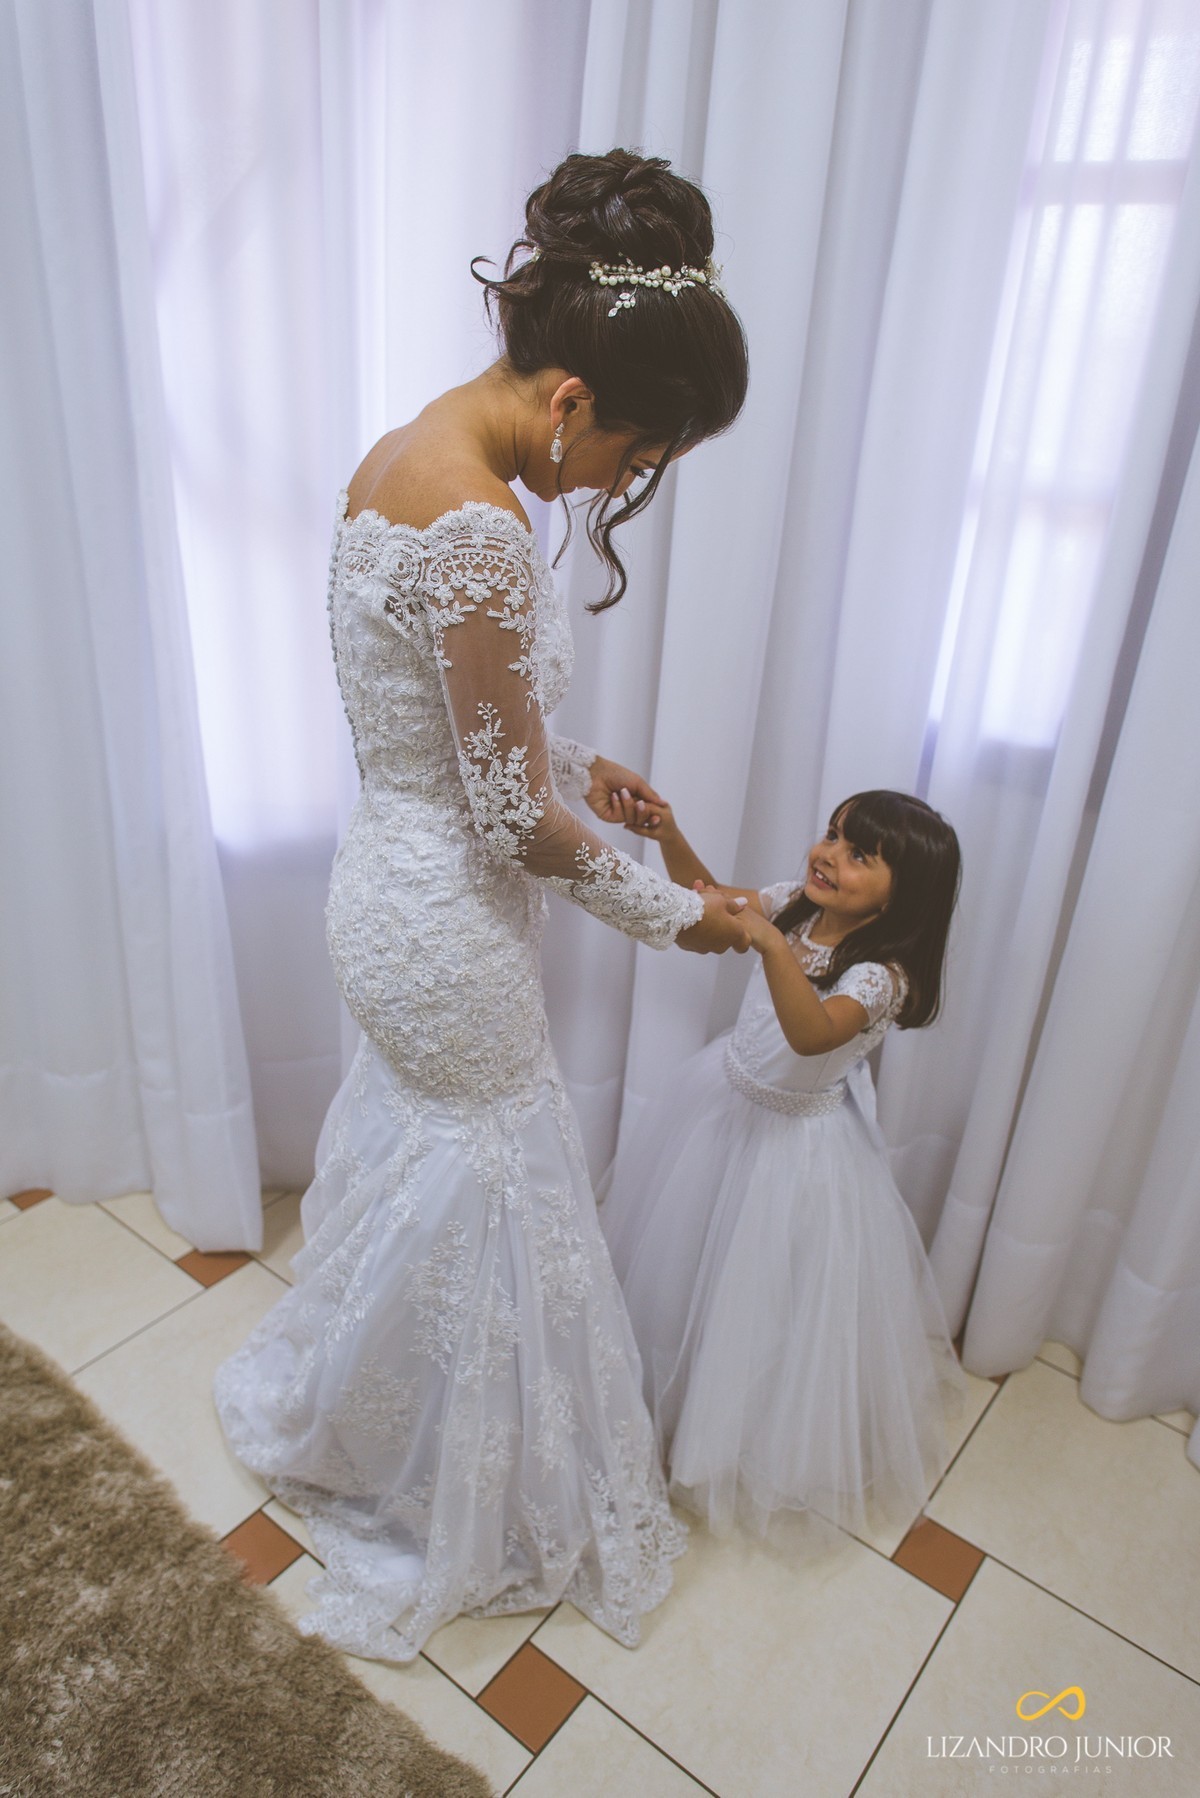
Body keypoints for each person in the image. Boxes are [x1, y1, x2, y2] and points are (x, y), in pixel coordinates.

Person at [213, 149, 750, 1662]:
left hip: (380, 885)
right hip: (446, 923)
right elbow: (516, 825)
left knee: (436, 1179)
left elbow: (439, 733)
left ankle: (373, 1420)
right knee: (499, 1192)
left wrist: (580, 758)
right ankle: (436, 1489)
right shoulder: (487, 527)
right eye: (636, 450)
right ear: (572, 394)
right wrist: (680, 916)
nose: (621, 483)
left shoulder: (400, 456)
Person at [600, 788, 967, 1542]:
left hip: (792, 1155)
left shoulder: (883, 974)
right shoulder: (794, 904)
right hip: (721, 1108)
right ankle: (665, 1398)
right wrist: (670, 832)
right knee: (684, 1269)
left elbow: (810, 1035)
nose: (829, 855)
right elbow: (705, 902)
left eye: (860, 854)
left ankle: (724, 1437)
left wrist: (769, 944)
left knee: (756, 1298)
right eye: (833, 835)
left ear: (908, 894)